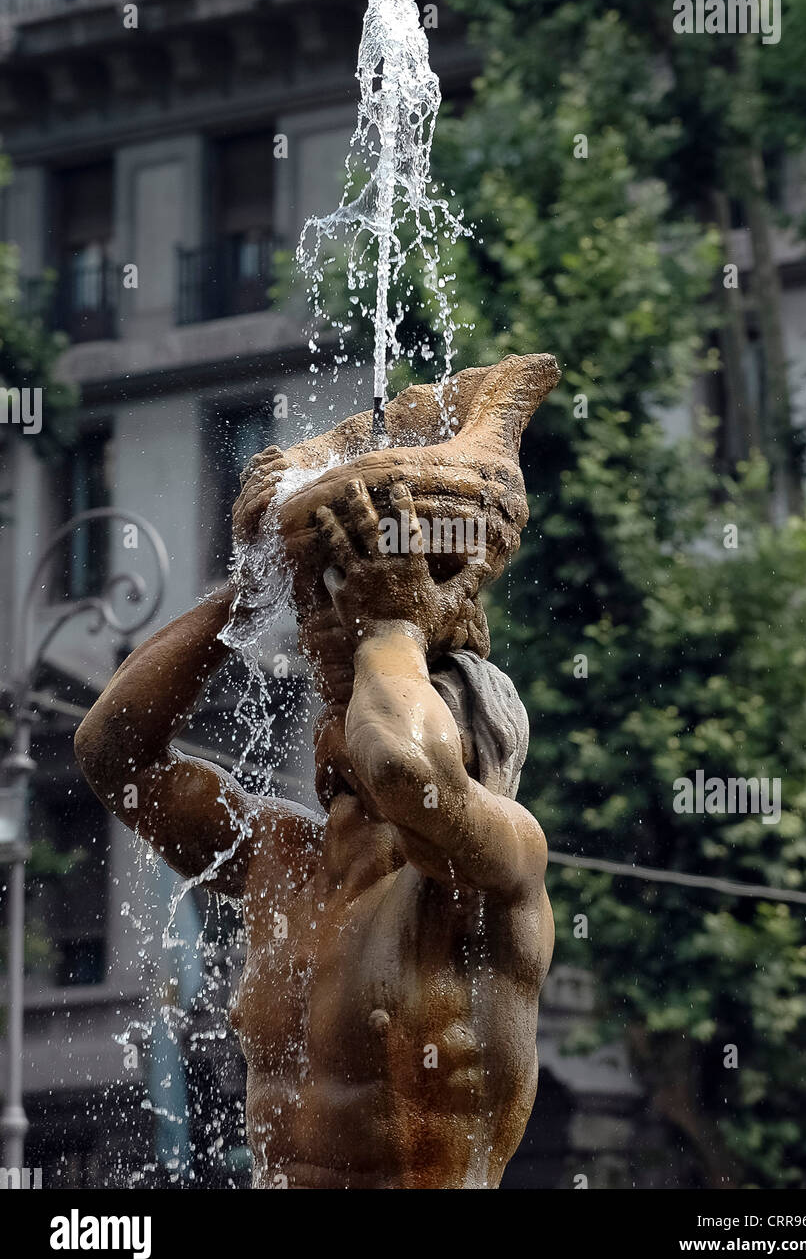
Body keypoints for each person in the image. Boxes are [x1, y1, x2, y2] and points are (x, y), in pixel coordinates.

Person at [75, 453, 554, 1189]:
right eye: (342, 698)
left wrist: (393, 628)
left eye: (372, 694)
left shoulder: (495, 871)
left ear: (469, 745)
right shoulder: (278, 856)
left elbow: (401, 769)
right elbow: (114, 754)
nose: (346, 712)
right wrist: (256, 586)